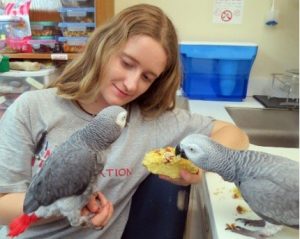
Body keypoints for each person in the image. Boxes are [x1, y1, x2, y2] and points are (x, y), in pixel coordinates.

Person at [0, 3, 249, 239]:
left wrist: (199, 165)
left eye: (147, 77)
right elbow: (2, 205)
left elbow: (234, 134)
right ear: (103, 46)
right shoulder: (31, 109)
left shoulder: (151, 122)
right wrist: (69, 203)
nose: (131, 84)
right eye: (127, 63)